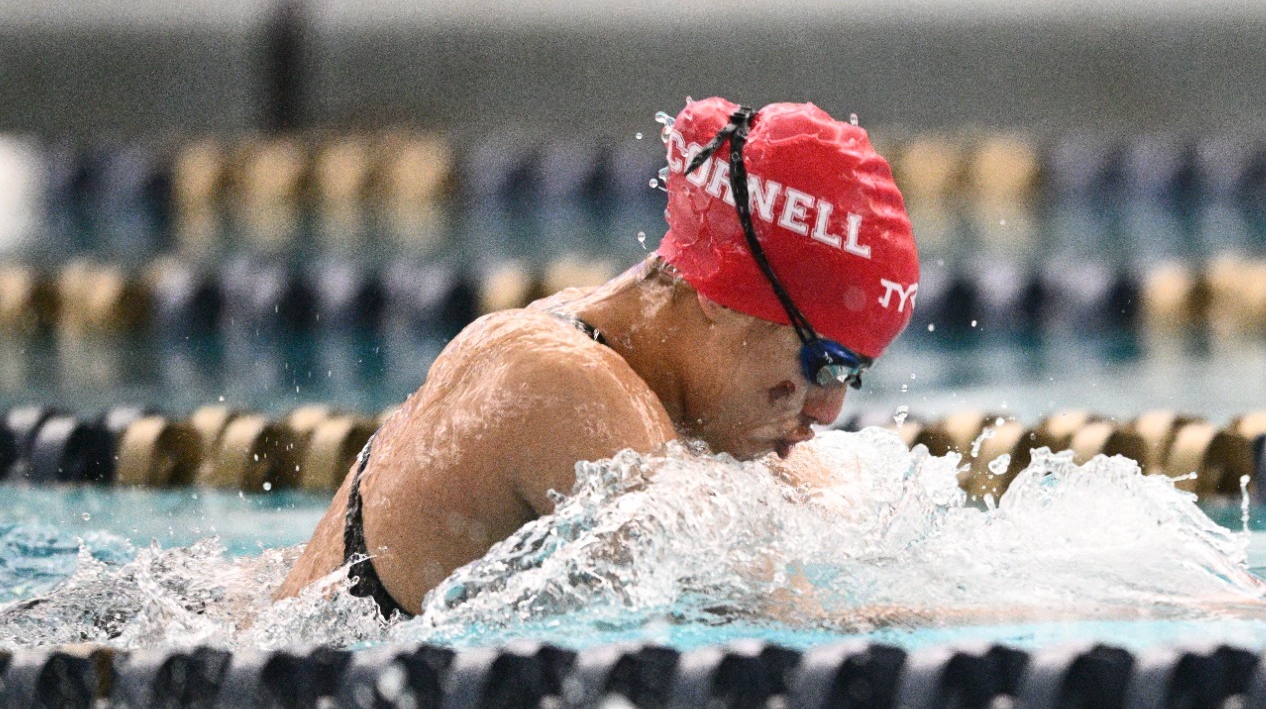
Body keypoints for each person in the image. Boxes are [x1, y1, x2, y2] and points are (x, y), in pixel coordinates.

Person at [277, 97, 921, 618]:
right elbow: (779, 622)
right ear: (723, 297)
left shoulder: (683, 399)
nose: (828, 411)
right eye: (823, 364)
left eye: (853, 375)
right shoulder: (557, 381)